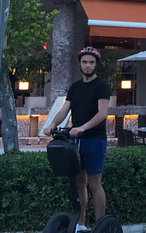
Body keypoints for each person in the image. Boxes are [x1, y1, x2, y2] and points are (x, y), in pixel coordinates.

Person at [43, 47, 111, 233]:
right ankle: (80, 224)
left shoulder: (101, 86)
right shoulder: (75, 87)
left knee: (94, 183)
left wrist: (82, 127)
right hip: (75, 140)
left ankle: (100, 225)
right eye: (85, 62)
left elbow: (102, 113)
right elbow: (64, 110)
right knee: (79, 182)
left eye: (91, 62)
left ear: (96, 64)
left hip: (94, 139)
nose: (88, 65)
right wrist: (51, 125)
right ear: (80, 64)